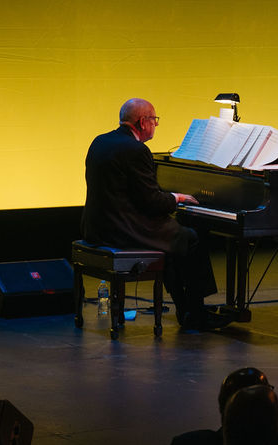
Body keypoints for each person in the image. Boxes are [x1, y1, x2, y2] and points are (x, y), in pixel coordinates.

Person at [82, 98, 219, 330]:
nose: (156, 124)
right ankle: (195, 312)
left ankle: (186, 307)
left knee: (173, 236)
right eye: (154, 120)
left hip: (97, 227)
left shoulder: (100, 141)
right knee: (191, 238)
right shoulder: (136, 150)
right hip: (122, 231)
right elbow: (152, 201)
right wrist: (176, 198)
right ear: (143, 122)